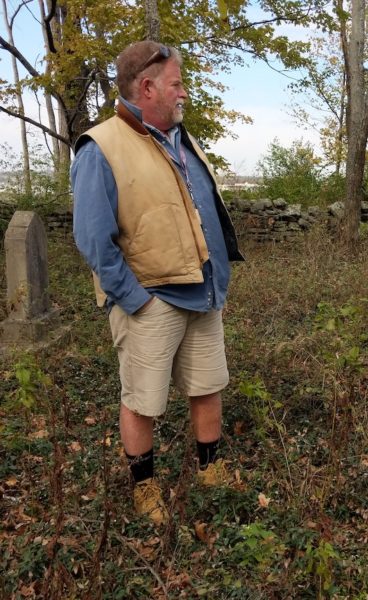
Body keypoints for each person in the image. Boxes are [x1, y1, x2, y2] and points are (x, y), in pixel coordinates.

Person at [71, 41, 243, 525]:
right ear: (147, 87)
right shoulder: (100, 146)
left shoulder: (178, 136)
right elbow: (93, 240)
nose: (183, 91)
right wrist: (135, 300)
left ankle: (210, 470)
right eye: (176, 83)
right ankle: (144, 489)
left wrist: (216, 281)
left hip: (202, 291)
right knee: (142, 400)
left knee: (208, 385)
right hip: (151, 300)